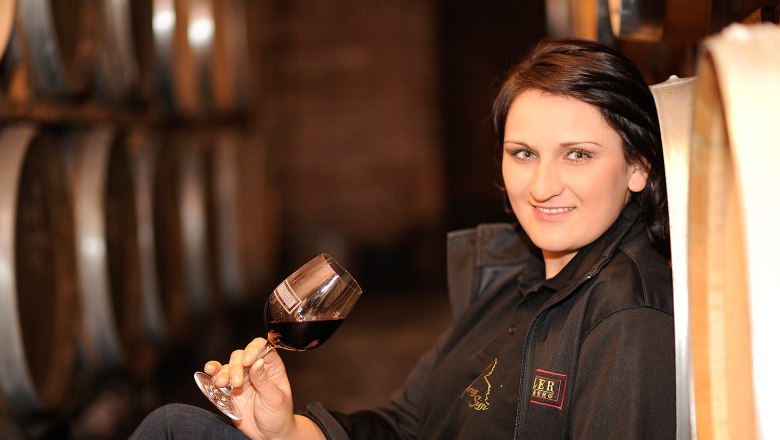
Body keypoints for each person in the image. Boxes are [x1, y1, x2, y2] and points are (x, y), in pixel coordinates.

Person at [130, 37, 675, 439]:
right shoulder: (519, 279)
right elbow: (406, 424)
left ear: (638, 167)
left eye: (577, 154)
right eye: (523, 153)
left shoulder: (626, 316)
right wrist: (286, 430)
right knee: (176, 426)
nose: (540, 186)